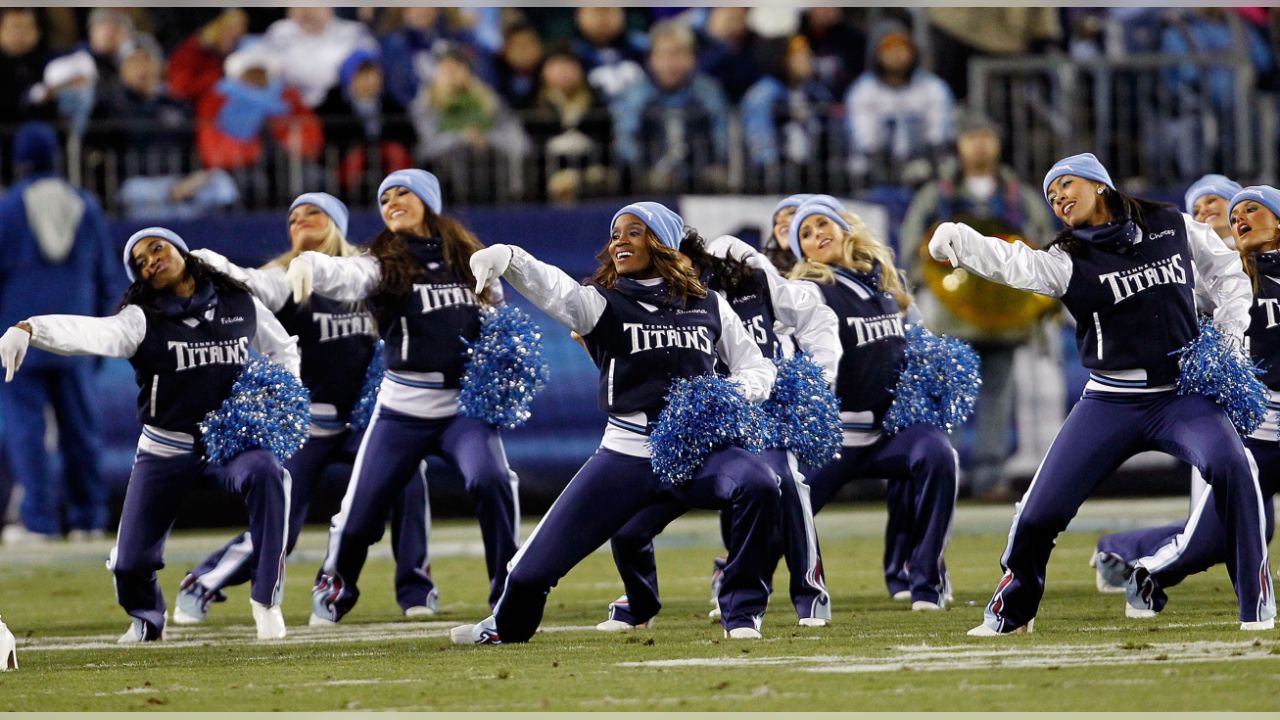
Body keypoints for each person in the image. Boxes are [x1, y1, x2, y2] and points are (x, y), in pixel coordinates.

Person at [928, 152, 1275, 633]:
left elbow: (1227, 275)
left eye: (1066, 185)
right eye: (1050, 196)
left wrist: (1233, 336)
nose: (1058, 199)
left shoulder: (1170, 223)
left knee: (1235, 468)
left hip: (1181, 394)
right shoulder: (1069, 257)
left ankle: (1255, 606)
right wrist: (964, 242)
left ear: (1100, 185)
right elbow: (1017, 264)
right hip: (1110, 400)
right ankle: (1012, 610)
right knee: (1037, 513)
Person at [451, 201, 780, 644]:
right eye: (615, 234)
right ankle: (505, 628)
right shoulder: (602, 302)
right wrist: (510, 257)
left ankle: (742, 612)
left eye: (634, 232)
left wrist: (732, 392)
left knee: (760, 481)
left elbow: (757, 367)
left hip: (700, 452)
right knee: (529, 574)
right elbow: (556, 289)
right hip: (626, 454)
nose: (619, 241)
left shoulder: (709, 304)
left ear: (661, 241)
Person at [0, 226, 299, 641]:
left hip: (229, 441)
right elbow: (93, 333)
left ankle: (266, 600)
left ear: (181, 250)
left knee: (270, 474)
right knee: (128, 563)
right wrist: (31, 328)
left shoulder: (239, 301)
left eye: (156, 248)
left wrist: (278, 398)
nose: (151, 260)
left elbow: (282, 348)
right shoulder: (141, 319)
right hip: (167, 448)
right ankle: (146, 617)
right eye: (140, 262)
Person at [177, 193, 435, 622]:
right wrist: (207, 263)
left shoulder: (368, 274)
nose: (300, 222)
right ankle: (203, 581)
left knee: (410, 474)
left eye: (312, 213)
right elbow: (247, 284)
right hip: (306, 425)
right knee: (282, 526)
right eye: (292, 217)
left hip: (364, 422)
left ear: (336, 221)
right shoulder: (282, 277)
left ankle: (415, 591)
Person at [284, 169, 520, 623]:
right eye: (384, 197)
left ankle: (509, 589)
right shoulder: (383, 261)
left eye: (402, 193)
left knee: (493, 480)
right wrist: (311, 265)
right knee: (359, 513)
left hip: (463, 408)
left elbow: (499, 319)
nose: (391, 201)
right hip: (403, 410)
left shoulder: (470, 257)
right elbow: (348, 275)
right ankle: (336, 588)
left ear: (428, 201)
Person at [596, 225, 841, 630]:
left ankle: (809, 595)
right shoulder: (662, 301)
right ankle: (640, 602)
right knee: (629, 526)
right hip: (691, 430)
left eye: (676, 262)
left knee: (784, 479)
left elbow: (813, 316)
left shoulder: (748, 275)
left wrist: (820, 377)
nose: (671, 272)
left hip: (761, 416)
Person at [1090, 185, 1280, 615]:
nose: (1237, 218)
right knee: (1210, 541)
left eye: (1251, 209)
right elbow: (1168, 297)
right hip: (1252, 433)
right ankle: (1147, 573)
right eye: (1234, 215)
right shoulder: (1230, 278)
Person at [784, 198, 960, 609]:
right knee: (778, 517)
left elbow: (923, 340)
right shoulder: (807, 291)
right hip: (833, 437)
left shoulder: (885, 280)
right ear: (802, 252)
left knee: (938, 454)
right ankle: (739, 581)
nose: (816, 236)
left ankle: (927, 580)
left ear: (845, 228)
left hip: (888, 432)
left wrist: (931, 375)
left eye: (822, 225)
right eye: (805, 235)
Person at [899, 111, 1056, 501]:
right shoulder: (937, 194)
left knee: (998, 398)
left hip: (1005, 314)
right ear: (960, 144)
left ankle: (991, 478)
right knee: (949, 395)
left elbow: (1045, 245)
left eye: (987, 136)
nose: (980, 145)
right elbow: (911, 247)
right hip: (950, 317)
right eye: (972, 137)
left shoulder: (1020, 195)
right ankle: (944, 474)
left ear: (998, 143)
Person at [0, 123, 114, 544]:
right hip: (76, 337)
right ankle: (88, 518)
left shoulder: (8, 209)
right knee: (81, 432)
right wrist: (102, 335)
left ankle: (39, 521)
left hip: (20, 340)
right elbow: (105, 276)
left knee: (26, 433)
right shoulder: (85, 205)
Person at [613, 20, 730, 193]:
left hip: (700, 173)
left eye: (679, 54)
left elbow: (722, 137)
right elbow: (626, 141)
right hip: (649, 176)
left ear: (692, 58)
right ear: (651, 59)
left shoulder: (708, 91)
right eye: (665, 55)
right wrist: (643, 169)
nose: (671, 63)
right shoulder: (635, 94)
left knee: (718, 179)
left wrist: (712, 165)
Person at [844, 22, 955, 188]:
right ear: (876, 53)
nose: (896, 54)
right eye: (889, 48)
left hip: (922, 165)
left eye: (902, 47)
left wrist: (924, 162)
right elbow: (864, 139)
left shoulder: (932, 87)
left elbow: (938, 135)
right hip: (875, 168)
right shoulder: (863, 90)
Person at [1185, 174, 1244, 246]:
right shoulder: (1194, 256)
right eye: (1196, 212)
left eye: (1210, 201)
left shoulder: (1260, 245)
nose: (1203, 210)